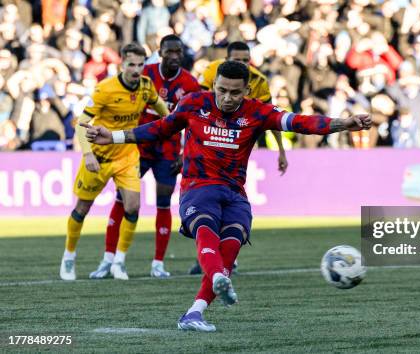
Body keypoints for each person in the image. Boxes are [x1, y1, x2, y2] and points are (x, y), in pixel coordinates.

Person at [82, 60, 371, 331]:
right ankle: (219, 277)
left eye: (235, 92)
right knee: (206, 229)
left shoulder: (258, 112)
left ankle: (194, 312)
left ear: (246, 91)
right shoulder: (194, 103)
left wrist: (343, 124)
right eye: (221, 90)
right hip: (198, 187)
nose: (227, 98)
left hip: (234, 192)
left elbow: (300, 122)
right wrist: (115, 136)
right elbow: (160, 128)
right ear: (213, 86)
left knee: (232, 242)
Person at [90, 35, 200, 280]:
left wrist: (185, 153)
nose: (174, 56)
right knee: (123, 200)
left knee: (163, 202)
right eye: (169, 52)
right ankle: (109, 260)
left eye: (178, 52)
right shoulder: (145, 73)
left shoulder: (190, 83)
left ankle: (158, 263)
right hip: (137, 148)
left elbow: (194, 123)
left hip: (169, 151)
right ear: (159, 52)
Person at [59, 43, 169, 281]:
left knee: (132, 207)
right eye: (131, 64)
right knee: (82, 208)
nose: (136, 70)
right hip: (98, 157)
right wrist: (87, 154)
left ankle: (119, 261)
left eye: (141, 65)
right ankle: (69, 257)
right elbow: (82, 124)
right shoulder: (104, 90)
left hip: (127, 157)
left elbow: (166, 115)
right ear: (121, 64)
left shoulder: (146, 87)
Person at [188, 40, 288, 275]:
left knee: (229, 202)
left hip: (237, 142)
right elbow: (199, 109)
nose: (242, 63)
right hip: (209, 140)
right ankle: (209, 259)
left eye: (245, 60)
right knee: (204, 209)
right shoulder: (212, 71)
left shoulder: (259, 81)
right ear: (226, 59)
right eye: (237, 59)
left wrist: (281, 150)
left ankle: (225, 257)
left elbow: (272, 117)